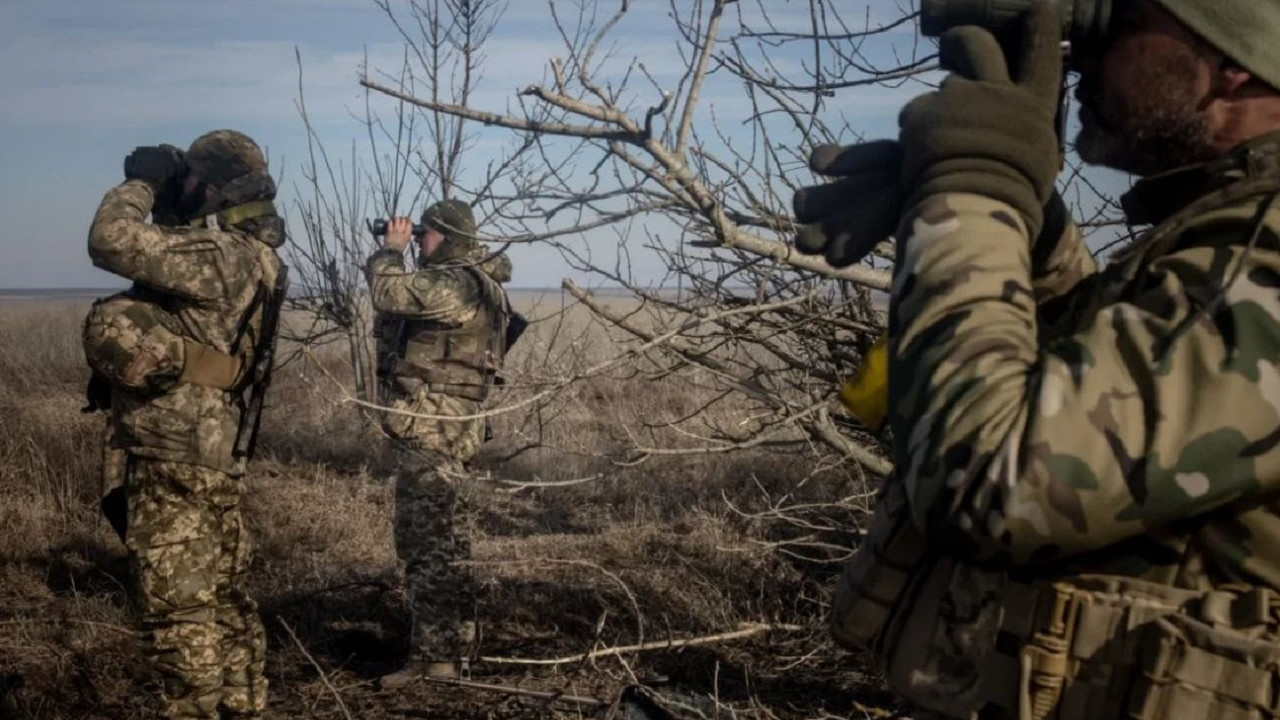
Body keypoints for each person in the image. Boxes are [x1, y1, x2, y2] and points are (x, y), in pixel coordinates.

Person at [794, 2, 1280, 719]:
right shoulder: (1230, 230)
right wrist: (1024, 220)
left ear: (1234, 62)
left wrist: (975, 179)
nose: (1078, 60)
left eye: (1123, 22)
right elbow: (1106, 395)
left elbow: (996, 477)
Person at [82, 130, 287, 720]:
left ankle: (194, 709)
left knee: (178, 610)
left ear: (216, 190)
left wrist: (143, 183)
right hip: (211, 446)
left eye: (193, 180)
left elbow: (109, 240)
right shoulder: (253, 256)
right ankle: (243, 704)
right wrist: (180, 204)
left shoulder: (222, 258)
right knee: (224, 596)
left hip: (176, 447)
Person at [366, 200, 515, 687]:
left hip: (435, 426)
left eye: (424, 234)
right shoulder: (481, 281)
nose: (418, 241)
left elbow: (388, 294)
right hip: (454, 426)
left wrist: (390, 250)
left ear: (446, 237)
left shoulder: (456, 282)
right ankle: (458, 648)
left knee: (426, 545)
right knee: (450, 541)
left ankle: (433, 662)